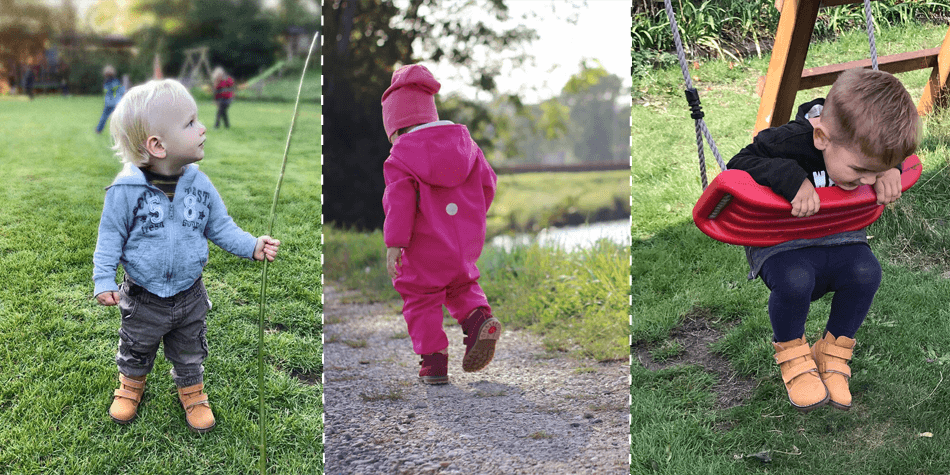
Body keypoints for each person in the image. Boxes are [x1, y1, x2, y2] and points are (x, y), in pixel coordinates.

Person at [92, 79, 281, 432]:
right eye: (190, 123)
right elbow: (110, 237)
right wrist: (103, 278)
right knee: (136, 345)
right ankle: (130, 387)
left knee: (190, 349)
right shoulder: (125, 190)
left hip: (190, 293)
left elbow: (221, 227)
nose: (202, 127)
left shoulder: (200, 185)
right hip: (143, 296)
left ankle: (193, 393)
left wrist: (252, 245)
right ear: (158, 145)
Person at [727, 68, 920, 412]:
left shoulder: (864, 145)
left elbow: (891, 156)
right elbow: (739, 164)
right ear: (821, 139)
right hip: (781, 240)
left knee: (867, 272)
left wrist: (892, 168)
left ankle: (832, 352)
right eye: (861, 171)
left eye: (875, 171)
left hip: (839, 235)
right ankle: (792, 353)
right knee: (795, 279)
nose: (867, 179)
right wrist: (792, 179)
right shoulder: (788, 141)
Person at [381, 64, 501, 384]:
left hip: (423, 247)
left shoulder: (400, 157)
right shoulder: (467, 146)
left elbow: (400, 204)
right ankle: (478, 321)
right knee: (462, 283)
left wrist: (395, 245)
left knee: (421, 296)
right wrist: (472, 216)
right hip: (463, 240)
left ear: (396, 127)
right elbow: (488, 184)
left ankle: (433, 363)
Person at [96, 65, 124, 134]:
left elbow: (106, 91)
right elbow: (121, 90)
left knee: (104, 117)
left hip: (108, 102)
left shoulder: (106, 83)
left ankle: (98, 130)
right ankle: (120, 132)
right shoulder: (117, 81)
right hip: (116, 102)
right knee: (118, 118)